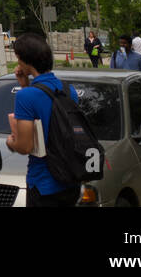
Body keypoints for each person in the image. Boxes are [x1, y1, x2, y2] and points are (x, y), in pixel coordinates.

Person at [6, 32, 83, 206]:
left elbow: (25, 146)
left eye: (19, 59)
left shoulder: (26, 96)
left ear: (26, 61)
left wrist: (11, 142)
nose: (18, 63)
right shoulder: (68, 90)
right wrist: (25, 84)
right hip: (70, 179)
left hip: (43, 184)